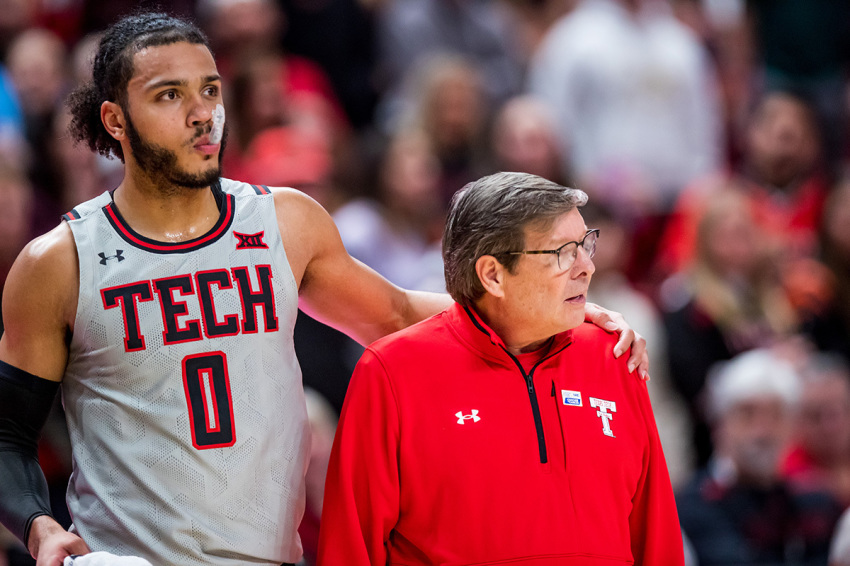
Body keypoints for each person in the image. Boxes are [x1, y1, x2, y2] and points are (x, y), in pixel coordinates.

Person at [0, 13, 648, 566]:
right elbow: (6, 433)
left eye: (210, 90)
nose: (201, 114)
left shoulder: (284, 221)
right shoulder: (61, 262)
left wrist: (549, 308)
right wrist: (39, 523)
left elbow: (397, 314)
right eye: (169, 96)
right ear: (115, 118)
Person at [317, 172, 682, 565]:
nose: (587, 267)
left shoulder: (616, 355)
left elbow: (657, 535)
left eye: (586, 244)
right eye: (563, 252)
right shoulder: (391, 371)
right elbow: (349, 547)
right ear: (493, 275)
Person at [676, 349, 843, 564]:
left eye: (776, 415)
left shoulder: (815, 504)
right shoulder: (692, 507)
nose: (763, 431)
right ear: (720, 425)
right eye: (747, 414)